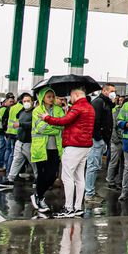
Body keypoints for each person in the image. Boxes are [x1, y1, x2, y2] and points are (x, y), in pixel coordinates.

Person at [41, 86, 95, 218]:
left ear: (76, 95)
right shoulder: (89, 107)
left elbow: (64, 121)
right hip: (85, 146)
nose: (70, 99)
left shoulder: (78, 107)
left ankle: (68, 208)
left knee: (67, 177)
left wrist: (47, 118)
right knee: (79, 177)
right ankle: (77, 208)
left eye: (71, 96)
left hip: (74, 145)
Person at [30, 88, 65, 216]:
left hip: (55, 148)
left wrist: (49, 121)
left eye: (52, 96)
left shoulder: (58, 110)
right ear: (43, 98)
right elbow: (40, 129)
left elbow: (62, 125)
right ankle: (40, 198)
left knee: (52, 175)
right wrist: (53, 125)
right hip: (41, 148)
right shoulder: (37, 111)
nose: (51, 99)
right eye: (48, 96)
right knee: (42, 174)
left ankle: (37, 195)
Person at [0, 92, 36, 189]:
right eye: (24, 101)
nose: (26, 103)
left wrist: (21, 124)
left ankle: (38, 178)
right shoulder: (22, 111)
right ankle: (10, 179)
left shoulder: (35, 112)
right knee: (16, 160)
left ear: (32, 102)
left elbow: (33, 124)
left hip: (29, 142)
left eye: (28, 101)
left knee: (33, 162)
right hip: (20, 141)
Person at [85, 84, 116, 201]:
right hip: (97, 140)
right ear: (104, 91)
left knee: (96, 166)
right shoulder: (98, 103)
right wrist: (98, 138)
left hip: (102, 140)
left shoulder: (106, 103)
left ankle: (91, 191)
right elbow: (95, 121)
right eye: (111, 91)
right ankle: (89, 193)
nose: (113, 93)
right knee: (92, 166)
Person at [0, 93, 15, 175]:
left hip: (1, 131)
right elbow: (4, 121)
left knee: (3, 148)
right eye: (10, 101)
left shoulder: (0, 109)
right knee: (3, 148)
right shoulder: (3, 109)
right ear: (6, 101)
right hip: (3, 132)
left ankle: (1, 165)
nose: (12, 103)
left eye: (13, 101)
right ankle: (1, 165)